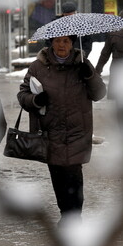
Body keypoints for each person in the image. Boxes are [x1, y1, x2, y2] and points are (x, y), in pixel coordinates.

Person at [17, 34, 106, 226]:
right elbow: (23, 94)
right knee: (58, 176)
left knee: (74, 176)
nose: (61, 45)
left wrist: (89, 75)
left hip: (77, 131)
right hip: (50, 132)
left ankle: (74, 217)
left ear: (72, 43)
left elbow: (99, 93)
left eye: (66, 41)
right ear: (51, 42)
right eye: (57, 41)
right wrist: (34, 100)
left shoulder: (83, 63)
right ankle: (66, 214)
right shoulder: (38, 67)